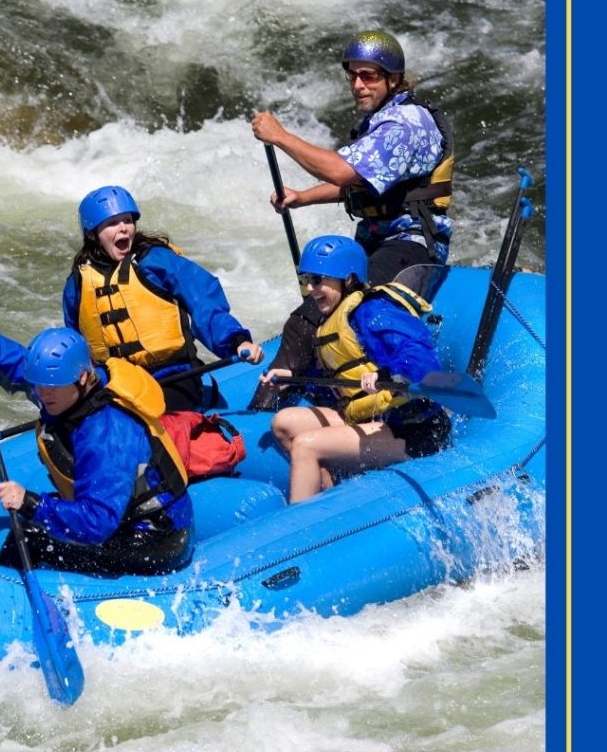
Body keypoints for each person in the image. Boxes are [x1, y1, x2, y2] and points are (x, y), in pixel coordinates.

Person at [0, 318, 193, 575]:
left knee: (32, 538)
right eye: (39, 385)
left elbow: (98, 521)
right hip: (121, 517)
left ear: (83, 377)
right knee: (36, 521)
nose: (42, 394)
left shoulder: (107, 435)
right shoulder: (65, 387)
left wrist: (30, 503)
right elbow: (23, 367)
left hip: (154, 538)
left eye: (51, 387)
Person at [251, 30, 454, 286]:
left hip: (412, 244)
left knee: (354, 304)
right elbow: (358, 181)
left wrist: (280, 136)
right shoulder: (381, 119)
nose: (358, 85)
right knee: (318, 305)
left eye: (368, 76)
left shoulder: (404, 124)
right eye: (353, 76)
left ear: (392, 79)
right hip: (377, 241)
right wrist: (302, 198)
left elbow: (341, 171)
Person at [258, 235, 451, 503]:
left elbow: (421, 358)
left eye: (318, 280)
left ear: (347, 280)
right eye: (307, 281)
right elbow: (343, 383)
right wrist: (296, 379)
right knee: (284, 423)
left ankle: (303, 531)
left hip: (411, 428)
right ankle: (328, 498)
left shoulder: (374, 310)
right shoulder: (329, 321)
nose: (311, 289)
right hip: (370, 418)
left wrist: (388, 375)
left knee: (305, 447)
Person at [62, 184, 263, 411]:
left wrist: (236, 341)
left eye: (127, 220)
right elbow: (75, 341)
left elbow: (204, 302)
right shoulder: (78, 282)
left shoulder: (156, 261)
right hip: (116, 382)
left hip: (171, 375)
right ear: (92, 234)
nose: (124, 228)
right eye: (112, 223)